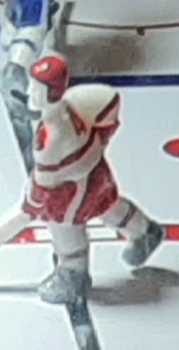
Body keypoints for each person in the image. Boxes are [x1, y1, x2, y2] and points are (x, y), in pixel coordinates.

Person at [24, 54, 169, 302]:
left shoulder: (52, 137)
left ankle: (73, 275)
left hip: (69, 192)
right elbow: (107, 101)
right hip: (95, 175)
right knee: (107, 205)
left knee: (65, 228)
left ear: (51, 92)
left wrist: (33, 202)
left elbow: (44, 181)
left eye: (36, 88)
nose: (29, 92)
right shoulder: (71, 108)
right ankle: (144, 232)